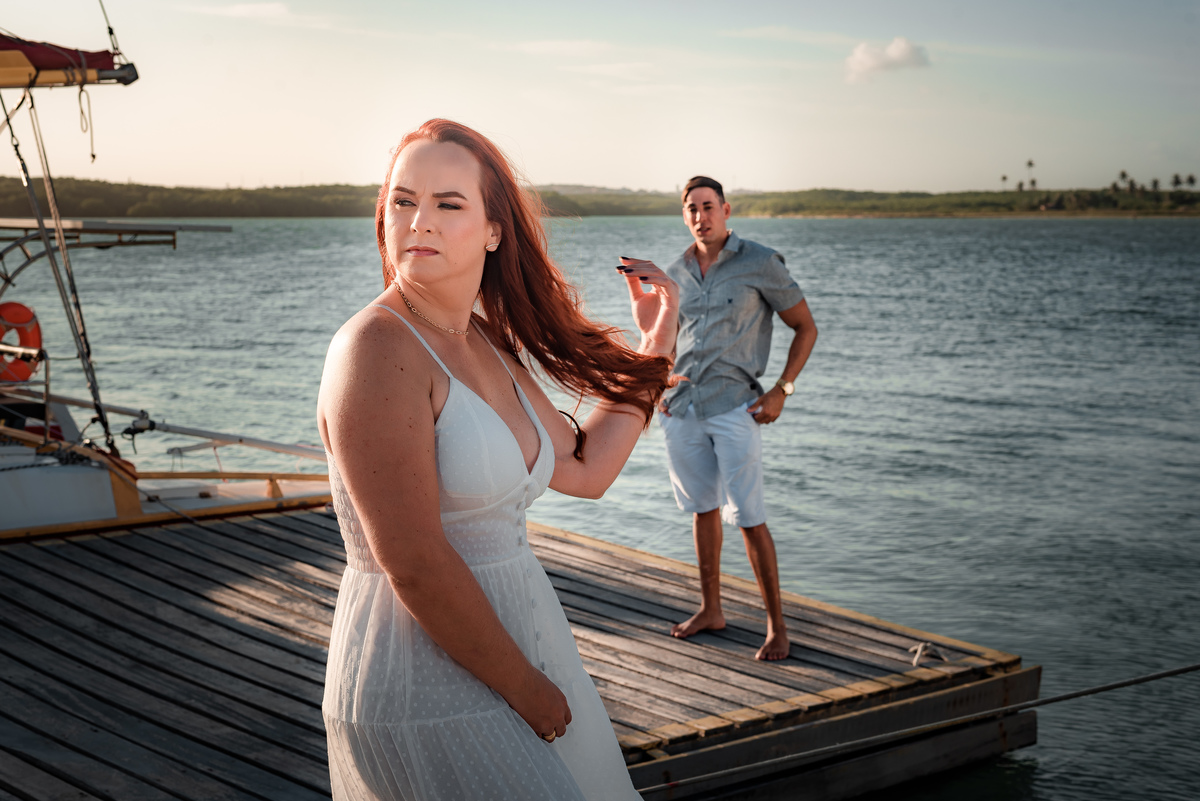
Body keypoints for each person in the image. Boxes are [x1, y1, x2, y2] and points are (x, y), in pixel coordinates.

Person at [316, 119, 678, 800]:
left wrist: (658, 342)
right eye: (402, 200)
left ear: (492, 228)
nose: (418, 221)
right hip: (429, 679)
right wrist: (525, 688)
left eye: (448, 203)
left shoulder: (481, 342)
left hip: (521, 654)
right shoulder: (375, 348)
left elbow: (584, 465)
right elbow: (414, 561)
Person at [659, 175, 817, 662]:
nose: (699, 216)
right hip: (681, 409)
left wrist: (781, 391)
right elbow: (667, 340)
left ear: (726, 210)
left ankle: (777, 626)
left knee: (750, 518)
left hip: (735, 408)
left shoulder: (760, 263)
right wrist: (658, 386)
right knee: (701, 510)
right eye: (691, 208)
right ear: (683, 214)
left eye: (708, 206)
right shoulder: (674, 273)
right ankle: (711, 609)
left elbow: (805, 328)